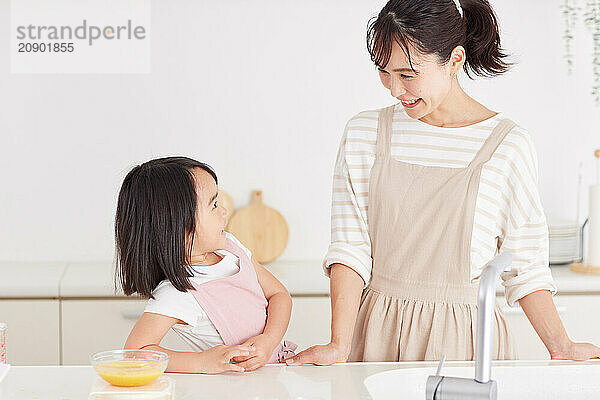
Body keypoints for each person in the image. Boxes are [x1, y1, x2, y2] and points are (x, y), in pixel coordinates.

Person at [286, 0, 600, 365]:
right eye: (384, 72)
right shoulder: (364, 133)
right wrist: (339, 343)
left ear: (454, 61)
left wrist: (561, 345)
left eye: (407, 74)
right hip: (375, 333)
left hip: (467, 339)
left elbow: (525, 264)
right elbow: (349, 248)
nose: (393, 89)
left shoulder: (508, 144)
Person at [116, 156, 296, 373]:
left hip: (274, 376)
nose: (224, 212)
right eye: (214, 205)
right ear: (179, 226)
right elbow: (135, 353)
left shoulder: (232, 249)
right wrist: (201, 362)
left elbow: (279, 294)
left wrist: (268, 341)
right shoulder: (179, 291)